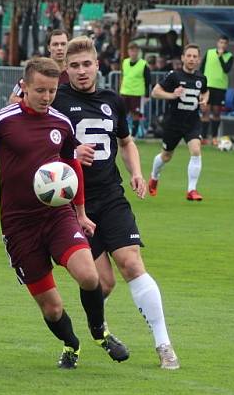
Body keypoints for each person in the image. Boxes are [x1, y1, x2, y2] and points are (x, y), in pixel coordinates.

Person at [0, 57, 130, 369]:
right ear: (23, 87)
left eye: (52, 91)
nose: (47, 97)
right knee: (51, 309)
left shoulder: (61, 123)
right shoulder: (1, 121)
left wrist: (80, 211)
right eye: (40, 90)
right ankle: (71, 344)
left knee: (90, 277)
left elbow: (73, 163)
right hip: (19, 226)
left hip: (57, 216)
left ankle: (99, 332)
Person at [52, 37, 179, 369]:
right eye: (75, 65)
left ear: (98, 65)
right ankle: (88, 334)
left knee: (132, 264)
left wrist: (136, 172)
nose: (81, 71)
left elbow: (126, 141)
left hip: (112, 198)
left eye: (87, 64)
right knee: (101, 282)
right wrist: (69, 153)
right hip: (75, 205)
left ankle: (164, 345)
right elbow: (42, 145)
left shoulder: (112, 101)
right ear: (66, 68)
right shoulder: (57, 101)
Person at [148, 44, 209, 201]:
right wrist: (172, 95)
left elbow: (205, 91)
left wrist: (205, 100)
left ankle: (192, 190)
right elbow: (155, 92)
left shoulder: (201, 78)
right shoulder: (174, 76)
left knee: (196, 151)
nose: (191, 59)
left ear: (199, 60)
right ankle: (154, 176)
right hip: (173, 123)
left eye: (195, 56)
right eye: (189, 56)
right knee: (166, 156)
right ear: (183, 58)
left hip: (192, 122)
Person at [9, 29, 69, 104]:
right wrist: (37, 108)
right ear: (49, 48)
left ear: (68, 46)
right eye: (55, 44)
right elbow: (13, 98)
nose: (59, 48)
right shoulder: (36, 69)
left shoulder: (74, 73)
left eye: (63, 44)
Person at [200, 35, 234, 145]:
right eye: (221, 42)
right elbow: (202, 68)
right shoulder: (209, 53)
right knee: (205, 111)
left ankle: (214, 137)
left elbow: (226, 69)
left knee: (216, 112)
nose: (222, 45)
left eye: (224, 43)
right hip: (207, 86)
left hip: (220, 87)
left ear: (227, 44)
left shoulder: (229, 56)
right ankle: (203, 137)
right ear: (217, 43)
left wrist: (220, 57)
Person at [119, 42, 151, 138]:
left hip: (137, 93)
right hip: (125, 92)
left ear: (138, 52)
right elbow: (123, 76)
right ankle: (122, 134)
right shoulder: (124, 62)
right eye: (131, 50)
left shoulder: (143, 64)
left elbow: (148, 80)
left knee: (136, 115)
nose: (133, 53)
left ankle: (133, 135)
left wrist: (147, 95)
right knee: (122, 114)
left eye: (135, 51)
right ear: (128, 51)